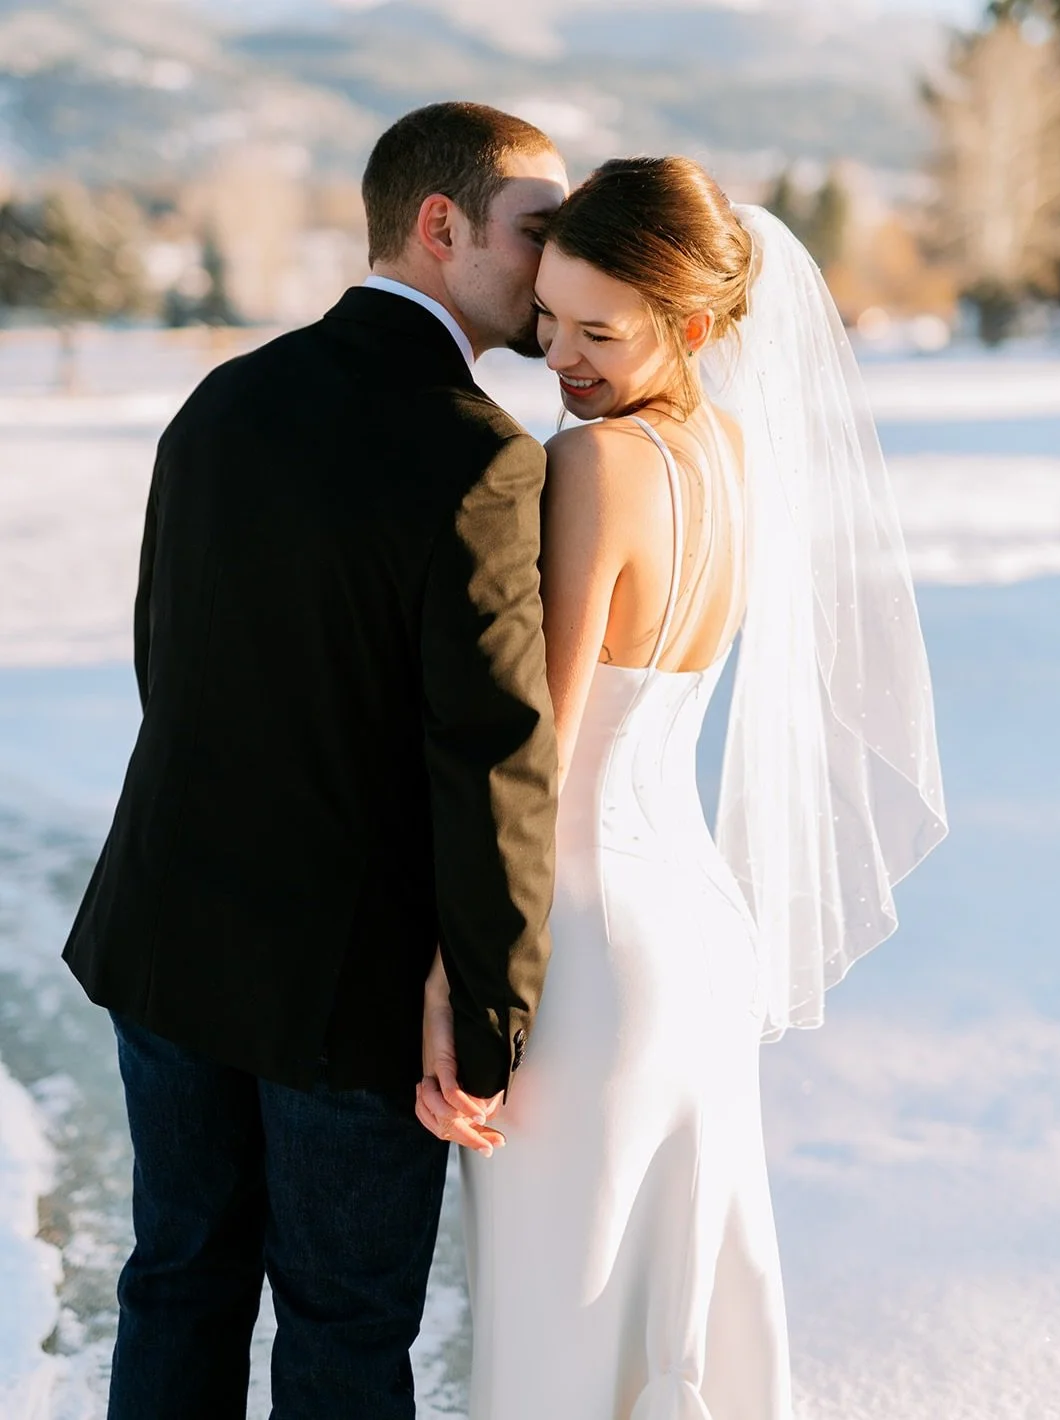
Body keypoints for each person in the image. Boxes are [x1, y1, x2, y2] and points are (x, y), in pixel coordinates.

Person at [417, 157, 948, 1418]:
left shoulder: (597, 467)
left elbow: (529, 741)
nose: (559, 356)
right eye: (547, 316)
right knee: (680, 1307)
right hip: (700, 933)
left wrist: (455, 973)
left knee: (562, 1323)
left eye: (600, 330)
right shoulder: (735, 450)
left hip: (591, 946)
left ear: (694, 325)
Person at [61, 102, 567, 1420]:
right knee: (342, 1328)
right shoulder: (482, 460)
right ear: (440, 224)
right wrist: (493, 1023)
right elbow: (493, 762)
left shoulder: (224, 400)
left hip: (168, 937)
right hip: (348, 989)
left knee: (178, 1279)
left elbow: (167, 666)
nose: (556, 260)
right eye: (537, 228)